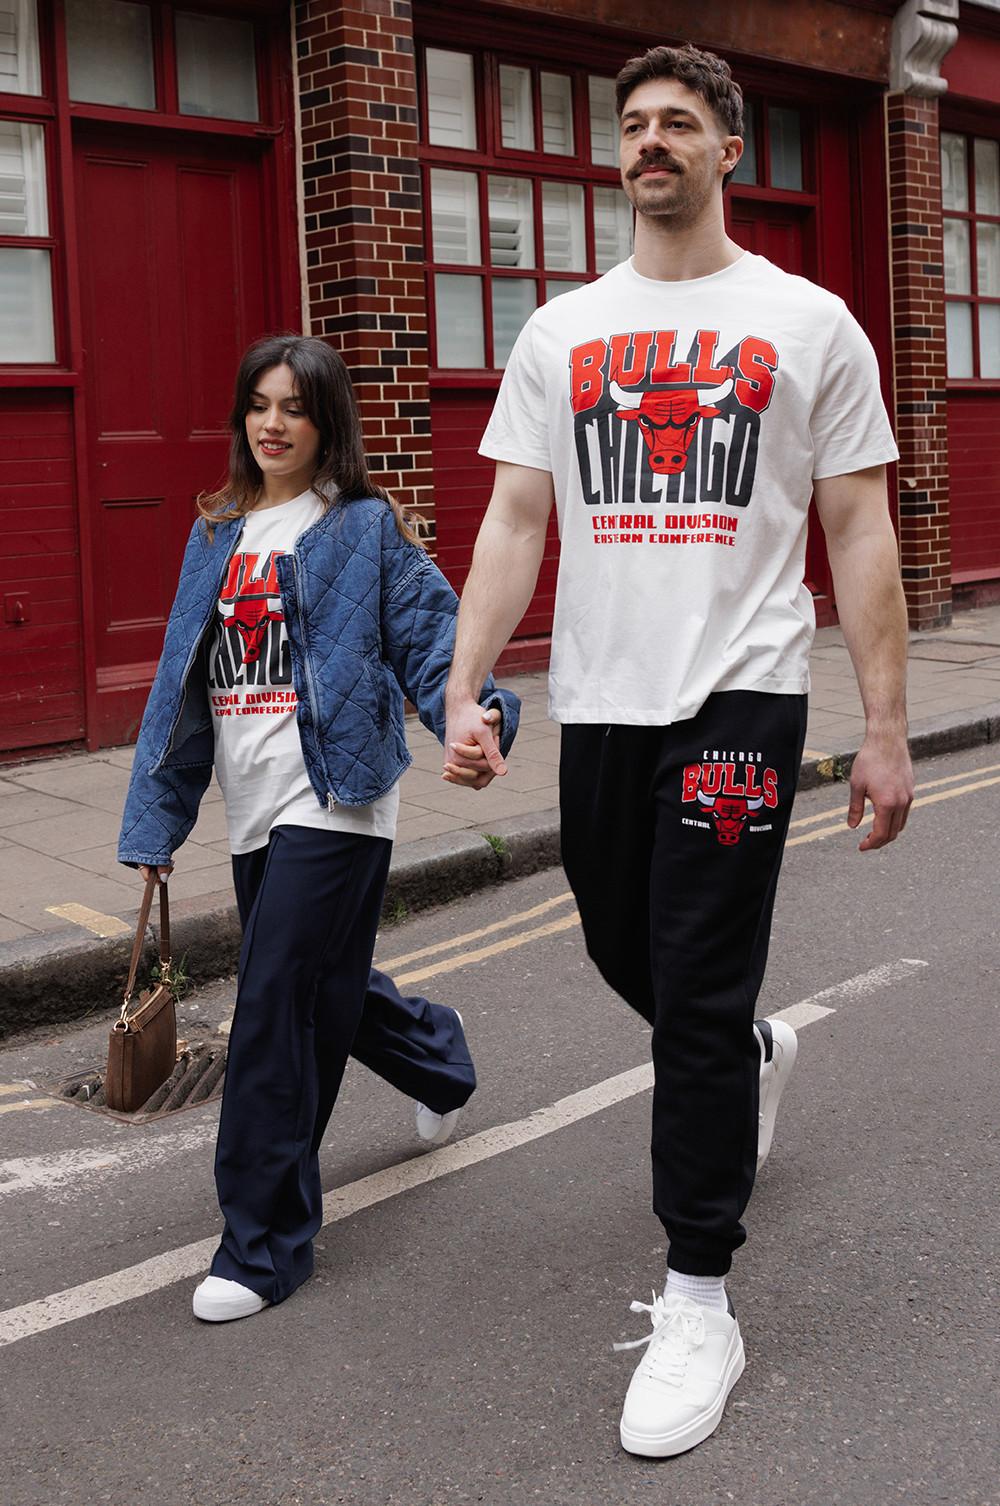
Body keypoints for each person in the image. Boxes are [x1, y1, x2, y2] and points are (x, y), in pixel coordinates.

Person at [440, 43, 913, 1457]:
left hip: (742, 697)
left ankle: (699, 1287)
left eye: (678, 124)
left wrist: (884, 728)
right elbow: (519, 518)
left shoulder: (809, 320)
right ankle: (748, 1046)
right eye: (634, 124)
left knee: (693, 990)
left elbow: (859, 530)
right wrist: (464, 686)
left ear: (727, 150)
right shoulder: (562, 331)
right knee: (617, 942)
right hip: (600, 699)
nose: (649, 142)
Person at [118, 334, 519, 1323]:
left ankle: (263, 1246)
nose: (273, 423)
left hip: (336, 800)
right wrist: (157, 812)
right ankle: (438, 1052)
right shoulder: (213, 534)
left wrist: (473, 715)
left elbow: (434, 641)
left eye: (295, 406)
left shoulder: (363, 528)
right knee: (320, 987)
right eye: (259, 403)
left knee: (274, 1010)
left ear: (325, 422)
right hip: (253, 807)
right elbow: (179, 686)